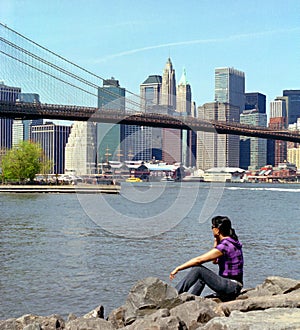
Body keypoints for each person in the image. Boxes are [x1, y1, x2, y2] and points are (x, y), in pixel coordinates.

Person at [169, 215, 244, 301]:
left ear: (217, 230)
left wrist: (178, 268)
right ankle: (191, 299)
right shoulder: (232, 242)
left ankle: (174, 295)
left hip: (232, 286)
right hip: (234, 286)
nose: (211, 229)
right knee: (202, 277)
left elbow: (199, 260)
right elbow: (214, 261)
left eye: (212, 227)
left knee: (198, 269)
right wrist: (216, 240)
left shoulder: (225, 245)